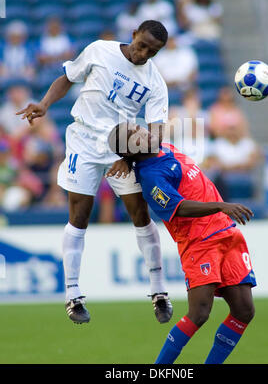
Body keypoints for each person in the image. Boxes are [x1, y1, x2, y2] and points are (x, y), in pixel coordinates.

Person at [16, 20, 173, 326]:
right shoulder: (100, 51)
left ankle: (159, 291)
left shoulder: (156, 83)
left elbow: (155, 135)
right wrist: (46, 103)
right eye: (141, 45)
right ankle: (72, 295)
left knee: (140, 213)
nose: (143, 54)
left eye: (151, 52)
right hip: (84, 140)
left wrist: (128, 159)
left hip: (121, 148)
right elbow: (67, 77)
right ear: (133, 35)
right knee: (79, 214)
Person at [108, 122, 256, 364]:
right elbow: (179, 208)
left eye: (136, 126)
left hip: (227, 233)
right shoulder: (151, 177)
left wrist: (127, 158)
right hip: (200, 242)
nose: (141, 129)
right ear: (131, 148)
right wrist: (221, 205)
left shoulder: (166, 147)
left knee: (244, 311)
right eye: (133, 133)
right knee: (199, 313)